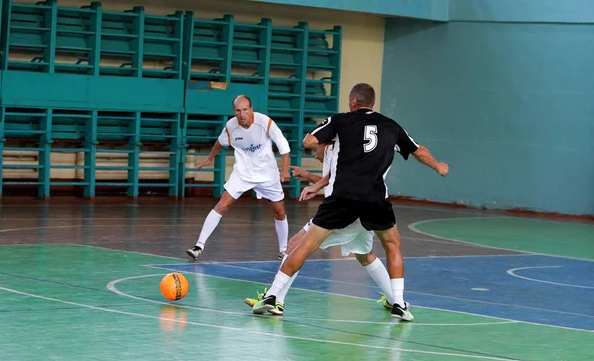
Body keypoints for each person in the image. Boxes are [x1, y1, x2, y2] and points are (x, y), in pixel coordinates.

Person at [252, 83, 449, 321]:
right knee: (392, 244)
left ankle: (273, 297)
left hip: (343, 197)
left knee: (303, 245)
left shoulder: (341, 121)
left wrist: (321, 141)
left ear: (353, 101)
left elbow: (309, 142)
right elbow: (418, 150)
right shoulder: (391, 126)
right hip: (375, 198)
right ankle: (398, 302)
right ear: (372, 103)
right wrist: (438, 166)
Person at [244, 141, 397, 315]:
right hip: (364, 212)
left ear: (326, 144)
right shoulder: (348, 153)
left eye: (315, 148)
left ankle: (276, 299)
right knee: (365, 255)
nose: (314, 153)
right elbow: (330, 180)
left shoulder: (336, 152)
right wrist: (310, 177)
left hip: (340, 213)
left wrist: (310, 179)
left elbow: (330, 174)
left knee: (296, 245)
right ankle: (395, 300)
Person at [186, 95, 291, 261]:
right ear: (234, 112)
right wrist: (210, 158)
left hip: (267, 174)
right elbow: (220, 142)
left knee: (279, 211)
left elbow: (284, 146)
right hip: (243, 173)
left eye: (245, 109)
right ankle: (199, 246)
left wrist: (284, 171)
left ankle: (284, 250)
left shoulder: (265, 122)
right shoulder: (231, 126)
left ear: (251, 109)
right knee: (223, 204)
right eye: (238, 110)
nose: (242, 114)